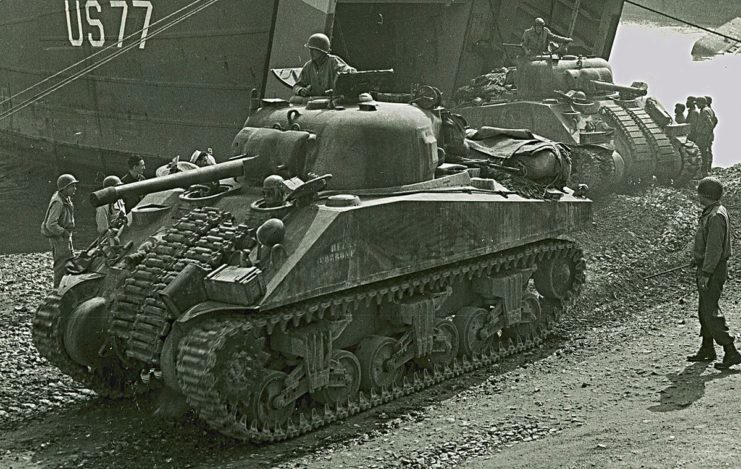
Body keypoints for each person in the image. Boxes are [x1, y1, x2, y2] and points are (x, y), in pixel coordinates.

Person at [687, 177, 741, 370]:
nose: (697, 195)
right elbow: (708, 245)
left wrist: (707, 272)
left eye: (699, 192)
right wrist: (698, 258)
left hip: (713, 269)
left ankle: (731, 351)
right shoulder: (714, 212)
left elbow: (714, 249)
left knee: (710, 312)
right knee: (704, 309)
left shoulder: (715, 216)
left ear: (705, 195)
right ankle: (707, 348)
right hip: (709, 266)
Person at [41, 174, 77, 288]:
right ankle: (57, 289)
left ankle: (64, 287)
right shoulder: (58, 202)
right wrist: (62, 232)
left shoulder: (64, 198)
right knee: (61, 264)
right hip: (59, 237)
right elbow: (50, 224)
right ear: (64, 188)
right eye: (72, 186)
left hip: (64, 236)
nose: (75, 189)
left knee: (69, 259)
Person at [292, 33, 356, 98]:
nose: (311, 52)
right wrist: (301, 90)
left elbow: (350, 71)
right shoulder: (308, 66)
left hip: (332, 99)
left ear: (323, 51)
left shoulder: (333, 61)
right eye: (310, 49)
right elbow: (297, 86)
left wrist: (347, 73)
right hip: (314, 100)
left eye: (314, 50)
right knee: (293, 99)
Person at [694, 96, 718, 176]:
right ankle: (706, 170)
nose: (696, 105)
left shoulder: (704, 111)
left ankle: (704, 171)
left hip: (703, 135)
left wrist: (705, 132)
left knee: (702, 152)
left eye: (697, 103)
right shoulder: (709, 109)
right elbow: (715, 120)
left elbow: (710, 123)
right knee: (706, 152)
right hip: (707, 135)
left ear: (701, 103)